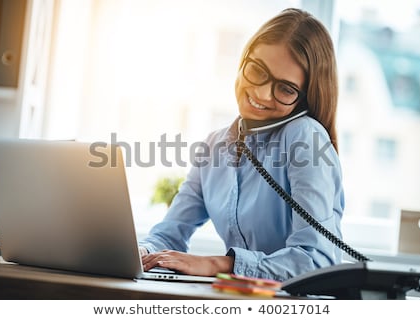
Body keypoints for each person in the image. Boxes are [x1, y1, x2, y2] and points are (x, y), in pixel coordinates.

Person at [139, 7, 344, 281]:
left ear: (304, 99)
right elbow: (169, 234)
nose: (261, 94)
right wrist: (141, 252)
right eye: (257, 71)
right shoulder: (215, 145)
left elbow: (316, 260)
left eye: (285, 88)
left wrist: (218, 264)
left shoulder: (304, 136)